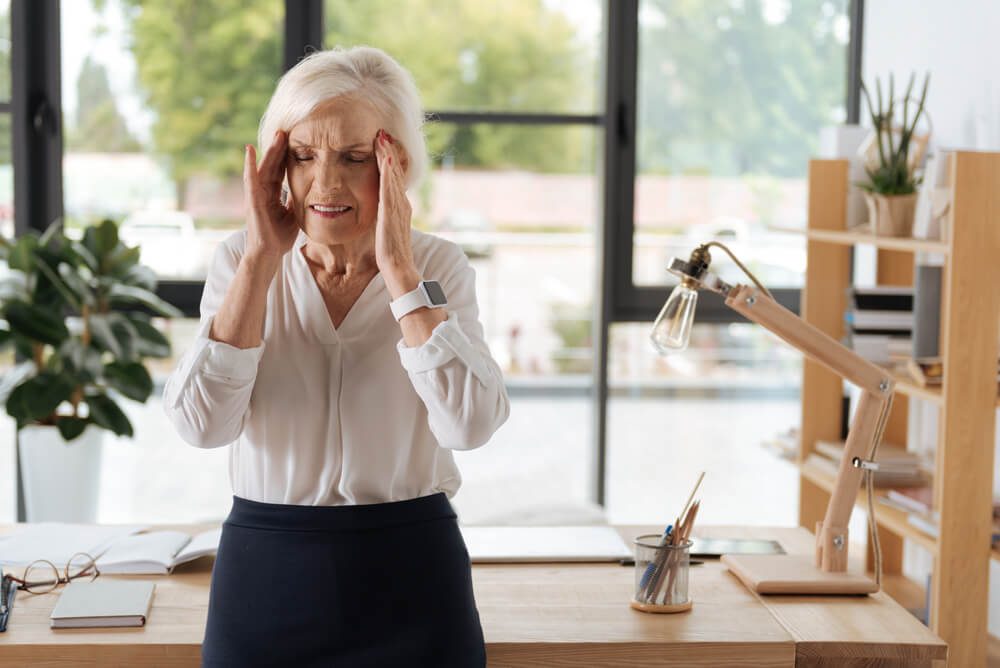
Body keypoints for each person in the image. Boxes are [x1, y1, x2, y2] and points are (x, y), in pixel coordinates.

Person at [162, 45, 510, 667]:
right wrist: (261, 260)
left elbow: (471, 423)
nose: (325, 183)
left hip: (414, 578)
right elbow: (202, 425)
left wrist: (401, 271)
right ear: (276, 167)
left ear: (395, 164)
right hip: (264, 582)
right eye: (302, 156)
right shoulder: (238, 264)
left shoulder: (439, 267)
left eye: (354, 158)